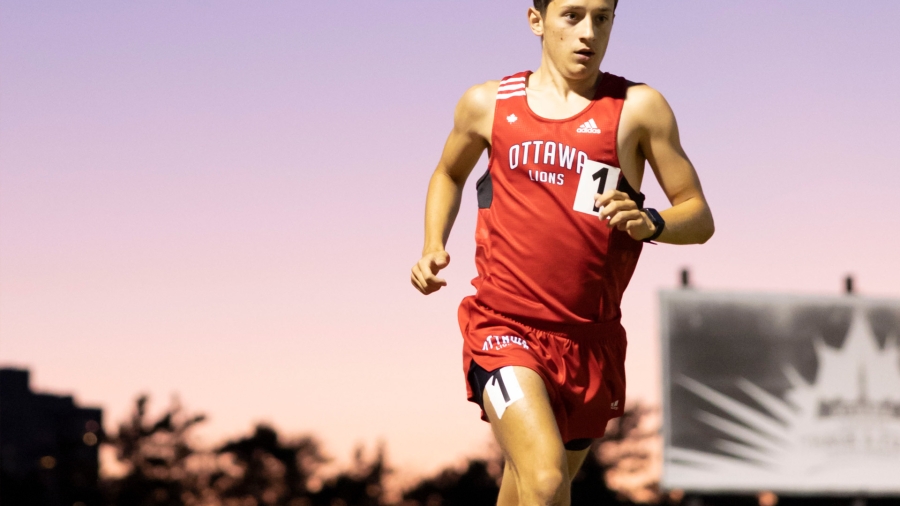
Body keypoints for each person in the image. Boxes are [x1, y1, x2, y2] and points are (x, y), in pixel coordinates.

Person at [410, 0, 714, 504]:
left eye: (602, 18)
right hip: (503, 329)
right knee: (547, 478)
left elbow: (699, 216)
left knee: (533, 489)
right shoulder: (488, 104)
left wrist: (652, 221)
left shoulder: (638, 108)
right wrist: (432, 244)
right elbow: (448, 173)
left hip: (590, 344)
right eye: (572, 15)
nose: (588, 32)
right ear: (537, 21)